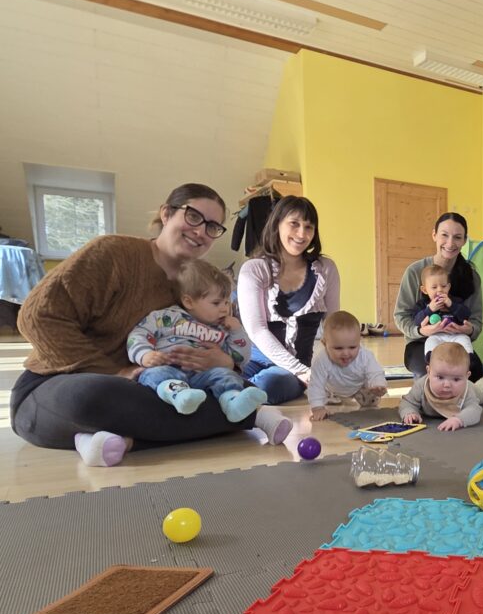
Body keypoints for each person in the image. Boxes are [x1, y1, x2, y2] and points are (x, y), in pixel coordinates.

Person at [12, 183, 291, 466]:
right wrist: (116, 372)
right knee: (92, 396)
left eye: (212, 227)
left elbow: (222, 341)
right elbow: (36, 317)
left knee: (225, 387)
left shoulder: (197, 283)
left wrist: (225, 362)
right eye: (194, 216)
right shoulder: (113, 253)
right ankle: (251, 417)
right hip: (61, 383)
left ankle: (118, 440)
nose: (201, 232)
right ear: (166, 213)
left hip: (153, 385)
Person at [127, 260, 287, 442]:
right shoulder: (166, 317)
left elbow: (241, 358)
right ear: (189, 301)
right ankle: (179, 395)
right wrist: (145, 354)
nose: (224, 308)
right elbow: (139, 333)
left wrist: (236, 331)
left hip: (203, 376)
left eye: (227, 302)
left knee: (226, 375)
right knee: (154, 374)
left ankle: (232, 402)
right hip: (168, 368)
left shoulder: (222, 328)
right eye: (216, 302)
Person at [237, 196, 340, 404]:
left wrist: (347, 371)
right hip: (254, 361)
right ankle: (230, 390)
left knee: (273, 384)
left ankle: (230, 393)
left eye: (309, 227)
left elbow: (334, 326)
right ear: (277, 224)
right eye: (294, 224)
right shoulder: (254, 269)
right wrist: (302, 371)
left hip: (290, 372)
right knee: (216, 372)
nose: (302, 234)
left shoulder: (325, 269)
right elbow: (256, 330)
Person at [393, 212, 483, 382]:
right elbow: (401, 316)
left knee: (474, 371)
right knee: (433, 372)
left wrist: (468, 330)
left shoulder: (472, 277)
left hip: (456, 341)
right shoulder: (415, 271)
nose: (450, 243)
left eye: (457, 237)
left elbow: (476, 321)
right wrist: (420, 331)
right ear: (434, 235)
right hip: (420, 342)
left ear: (464, 240)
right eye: (444, 235)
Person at [308, 310, 388, 421]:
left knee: (372, 399)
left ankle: (369, 393)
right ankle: (332, 399)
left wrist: (378, 384)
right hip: (331, 390)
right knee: (319, 394)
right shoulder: (321, 361)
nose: (346, 353)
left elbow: (375, 372)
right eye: (338, 348)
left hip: (358, 387)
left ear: (359, 341)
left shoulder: (365, 356)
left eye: (352, 347)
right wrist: (317, 408)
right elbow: (316, 384)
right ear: (324, 343)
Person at [398, 343, 482, 431]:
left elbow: (475, 410)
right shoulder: (421, 385)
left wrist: (459, 420)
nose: (447, 385)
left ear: (466, 376)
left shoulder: (467, 390)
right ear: (429, 372)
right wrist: (409, 413)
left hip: (475, 389)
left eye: (456, 379)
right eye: (440, 377)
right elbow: (407, 402)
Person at [412, 264, 474, 357]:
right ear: (424, 290)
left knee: (465, 340)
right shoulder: (423, 304)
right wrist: (430, 309)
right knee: (430, 342)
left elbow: (466, 315)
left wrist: (451, 305)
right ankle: (430, 359)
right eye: (434, 287)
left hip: (456, 334)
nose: (440, 290)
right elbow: (417, 321)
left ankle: (469, 358)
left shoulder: (455, 301)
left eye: (444, 286)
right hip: (436, 335)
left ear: (448, 287)